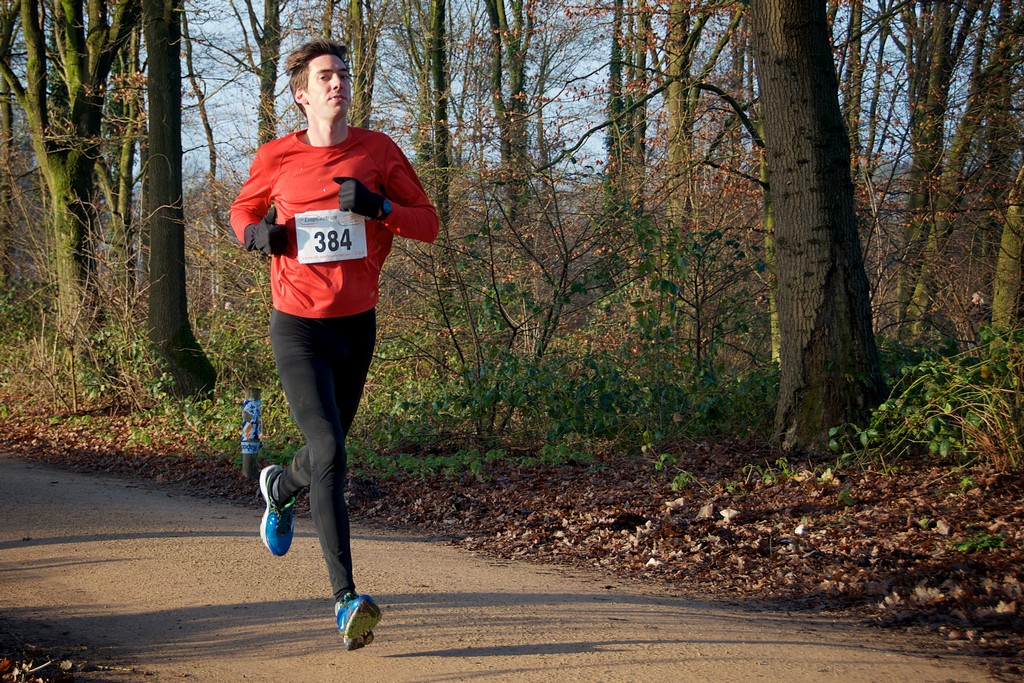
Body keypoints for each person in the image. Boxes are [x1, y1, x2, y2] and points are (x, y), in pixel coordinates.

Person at [229, 38, 438, 650]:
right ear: (302, 95)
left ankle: (279, 487)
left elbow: (428, 223)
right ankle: (345, 598)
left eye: (342, 74)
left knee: (330, 451)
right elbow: (241, 212)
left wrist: (380, 206)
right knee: (328, 448)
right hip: (297, 325)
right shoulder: (277, 156)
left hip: (356, 324)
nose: (337, 83)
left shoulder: (378, 151)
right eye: (324, 76)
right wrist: (257, 236)